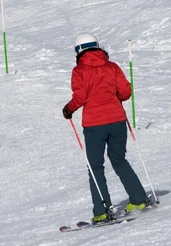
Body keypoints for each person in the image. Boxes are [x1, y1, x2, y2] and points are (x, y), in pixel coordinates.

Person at [62, 33, 152, 222]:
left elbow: (81, 98)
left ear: (78, 51)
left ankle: (102, 211)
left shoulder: (79, 71)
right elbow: (126, 92)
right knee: (119, 160)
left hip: (95, 125)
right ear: (97, 46)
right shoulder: (112, 67)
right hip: (117, 121)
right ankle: (138, 198)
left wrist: (68, 110)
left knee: (95, 167)